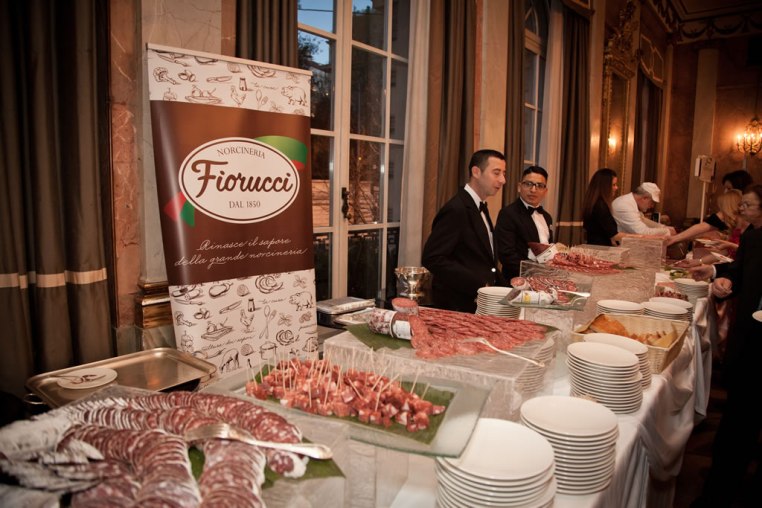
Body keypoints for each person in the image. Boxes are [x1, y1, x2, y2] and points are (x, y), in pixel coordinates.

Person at [688, 184, 762, 508]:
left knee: (742, 422)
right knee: (738, 420)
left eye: (748, 204)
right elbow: (741, 273)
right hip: (749, 339)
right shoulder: (753, 236)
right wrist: (721, 276)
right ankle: (719, 491)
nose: (742, 209)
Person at [421, 149, 507, 313]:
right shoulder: (456, 209)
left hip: (480, 302)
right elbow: (433, 258)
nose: (503, 180)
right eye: (496, 173)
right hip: (458, 305)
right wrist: (479, 285)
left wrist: (509, 290)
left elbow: (485, 261)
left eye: (504, 173)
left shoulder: (479, 206)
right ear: (476, 172)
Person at [495, 166, 553, 281]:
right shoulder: (508, 214)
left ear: (545, 191)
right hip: (516, 281)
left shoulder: (547, 217)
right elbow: (506, 255)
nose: (533, 190)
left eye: (539, 185)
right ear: (519, 187)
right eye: (528, 184)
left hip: (544, 280)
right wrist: (536, 272)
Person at [666, 190, 746, 260]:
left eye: (722, 209)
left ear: (729, 208)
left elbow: (744, 252)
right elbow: (726, 252)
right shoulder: (736, 227)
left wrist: (675, 238)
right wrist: (699, 262)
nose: (720, 213)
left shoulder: (747, 228)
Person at [611, 182, 676, 236]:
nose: (652, 206)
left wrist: (662, 227)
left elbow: (642, 220)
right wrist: (666, 231)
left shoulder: (631, 202)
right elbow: (642, 232)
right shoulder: (625, 205)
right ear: (644, 198)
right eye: (652, 202)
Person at [582, 168, 624, 246]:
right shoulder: (600, 206)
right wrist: (640, 237)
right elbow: (614, 235)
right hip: (600, 248)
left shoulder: (594, 202)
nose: (616, 188)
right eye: (613, 185)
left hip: (595, 246)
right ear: (604, 186)